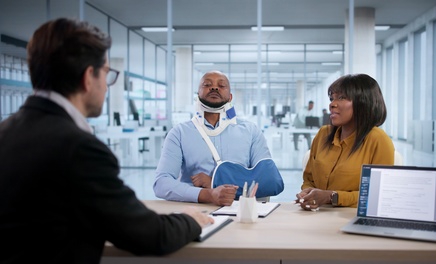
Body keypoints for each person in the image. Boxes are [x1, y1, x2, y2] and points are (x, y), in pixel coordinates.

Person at [0, 18, 213, 263]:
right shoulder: (79, 149)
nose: (107, 86)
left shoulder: (5, 131)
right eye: (107, 74)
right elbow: (151, 235)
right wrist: (191, 219)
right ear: (89, 77)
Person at [154, 70, 282, 206]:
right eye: (207, 84)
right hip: (196, 210)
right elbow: (161, 183)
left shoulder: (251, 131)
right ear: (198, 95)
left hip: (239, 211)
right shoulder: (179, 133)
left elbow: (271, 181)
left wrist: (214, 182)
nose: (214, 87)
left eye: (221, 86)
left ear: (230, 97)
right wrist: (207, 195)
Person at [295, 74, 394, 210]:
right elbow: (309, 178)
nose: (332, 104)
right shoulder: (323, 134)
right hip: (316, 213)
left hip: (353, 216)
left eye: (341, 98)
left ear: (363, 102)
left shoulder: (378, 140)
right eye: (332, 98)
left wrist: (332, 197)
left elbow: (378, 195)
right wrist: (308, 193)